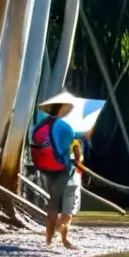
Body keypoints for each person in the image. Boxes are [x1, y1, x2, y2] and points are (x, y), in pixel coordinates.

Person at [31, 90, 89, 249]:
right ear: (63, 107)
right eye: (69, 106)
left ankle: (49, 240)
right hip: (65, 171)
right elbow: (76, 156)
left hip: (47, 170)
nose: (70, 109)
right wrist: (79, 159)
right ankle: (64, 239)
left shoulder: (41, 124)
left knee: (53, 205)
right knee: (67, 210)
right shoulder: (66, 128)